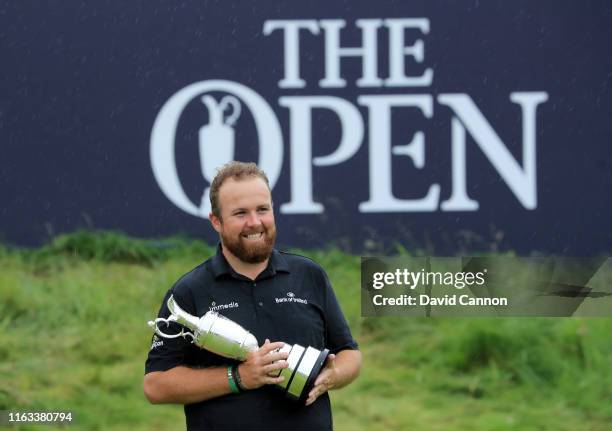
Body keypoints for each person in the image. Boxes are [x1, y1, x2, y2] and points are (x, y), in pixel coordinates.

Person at [144, 161, 362, 430]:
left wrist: (331, 375)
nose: (255, 222)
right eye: (240, 213)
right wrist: (239, 377)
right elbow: (156, 385)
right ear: (216, 221)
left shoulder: (309, 275)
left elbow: (349, 353)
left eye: (262, 209)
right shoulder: (189, 292)